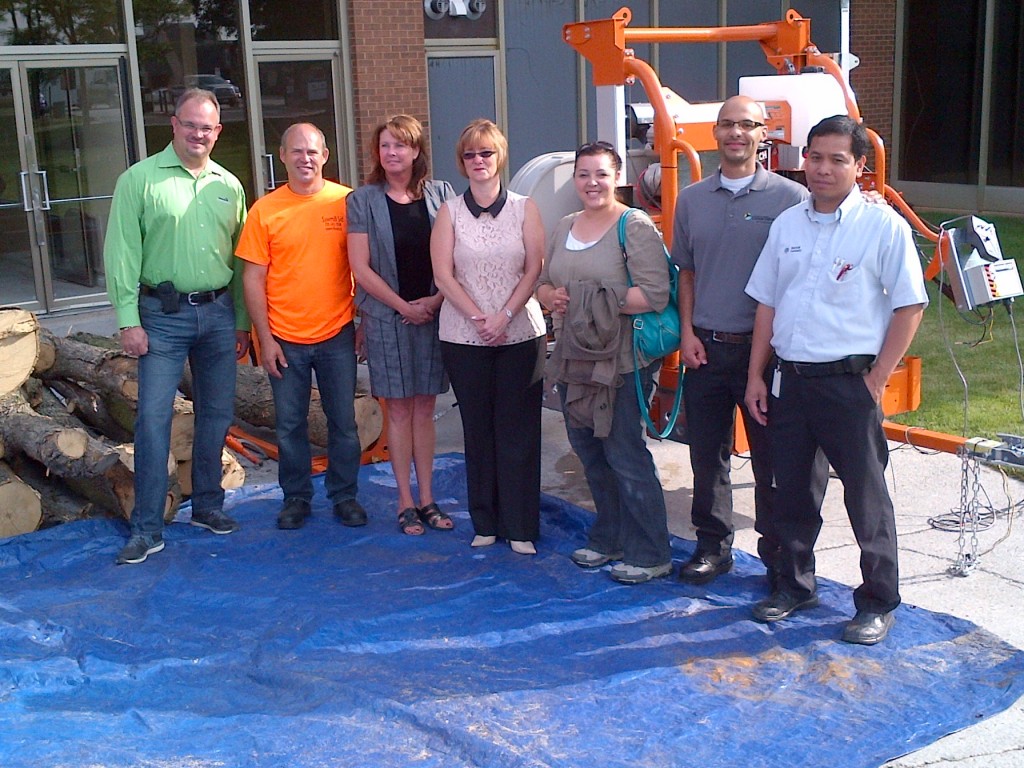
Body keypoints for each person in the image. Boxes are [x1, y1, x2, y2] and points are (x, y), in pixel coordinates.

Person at [744, 115, 928, 645]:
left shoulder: (882, 227)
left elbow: (909, 306)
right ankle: (794, 585)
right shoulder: (788, 225)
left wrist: (876, 379)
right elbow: (767, 304)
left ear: (860, 167)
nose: (823, 169)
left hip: (849, 387)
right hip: (790, 383)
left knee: (866, 501)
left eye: (837, 159)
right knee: (791, 495)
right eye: (815, 157)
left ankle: (877, 602)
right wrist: (757, 375)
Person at [104, 88, 250, 565]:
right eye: (190, 124)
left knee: (215, 415)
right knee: (152, 421)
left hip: (218, 314)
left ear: (218, 131)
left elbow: (242, 258)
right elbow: (121, 254)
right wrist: (128, 318)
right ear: (173, 124)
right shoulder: (139, 180)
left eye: (207, 127)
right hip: (160, 318)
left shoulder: (229, 185)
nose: (198, 134)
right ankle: (147, 527)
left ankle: (207, 506)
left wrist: (242, 321)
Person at [671, 95, 811, 587]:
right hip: (705, 348)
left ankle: (776, 556)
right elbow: (686, 272)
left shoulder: (790, 201)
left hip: (766, 354)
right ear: (715, 133)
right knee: (706, 456)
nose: (736, 133)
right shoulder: (691, 200)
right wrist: (686, 334)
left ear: (762, 134)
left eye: (746, 125)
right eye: (727, 125)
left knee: (773, 460)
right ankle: (713, 546)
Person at [537, 141, 672, 583]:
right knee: (589, 452)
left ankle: (651, 551)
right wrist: (552, 296)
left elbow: (654, 294)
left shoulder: (632, 226)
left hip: (621, 362)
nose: (592, 183)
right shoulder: (564, 226)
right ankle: (610, 536)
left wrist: (585, 301)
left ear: (617, 177)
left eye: (600, 174)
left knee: (624, 453)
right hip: (574, 359)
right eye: (583, 174)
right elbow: (543, 283)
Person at [237, 123, 365, 530]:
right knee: (289, 426)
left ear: (325, 155)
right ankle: (295, 498)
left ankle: (345, 496)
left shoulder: (347, 202)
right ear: (282, 156)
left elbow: (363, 268)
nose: (305, 158)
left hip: (337, 334)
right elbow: (252, 279)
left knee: (343, 421)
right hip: (285, 340)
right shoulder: (265, 211)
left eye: (312, 151)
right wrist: (266, 339)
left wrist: (362, 322)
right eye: (296, 152)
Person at [431, 119, 546, 555]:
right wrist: (480, 317)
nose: (478, 161)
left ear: (499, 156)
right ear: (461, 163)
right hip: (464, 337)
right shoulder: (450, 212)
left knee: (518, 431)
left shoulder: (524, 208)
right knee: (478, 431)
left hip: (520, 335)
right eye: (470, 155)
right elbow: (443, 274)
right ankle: (486, 520)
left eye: (486, 153)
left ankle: (521, 526)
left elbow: (533, 268)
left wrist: (506, 315)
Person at [348, 115, 455, 535]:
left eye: (400, 145)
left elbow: (455, 256)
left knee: (425, 408)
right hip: (385, 319)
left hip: (432, 314)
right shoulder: (363, 200)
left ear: (415, 151)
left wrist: (435, 299)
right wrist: (402, 307)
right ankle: (405, 501)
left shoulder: (441, 194)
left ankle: (428, 498)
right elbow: (361, 266)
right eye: (385, 145)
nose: (392, 153)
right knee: (398, 410)